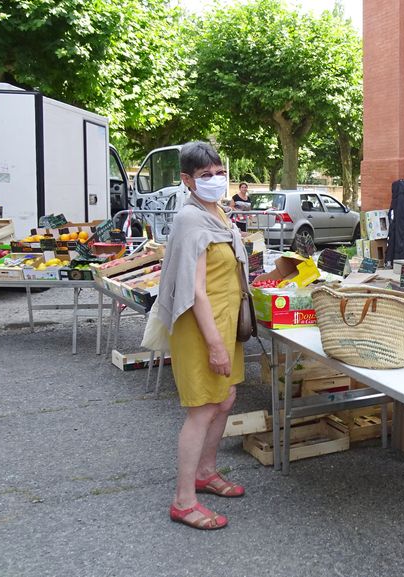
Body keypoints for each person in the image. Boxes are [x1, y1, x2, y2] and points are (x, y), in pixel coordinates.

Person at [154, 141, 248, 530]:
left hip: (225, 323)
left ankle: (205, 473)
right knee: (203, 409)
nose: (216, 179)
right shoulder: (191, 219)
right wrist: (214, 346)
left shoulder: (218, 213)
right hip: (201, 328)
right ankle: (183, 500)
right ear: (187, 180)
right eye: (206, 175)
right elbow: (195, 291)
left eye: (220, 172)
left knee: (225, 399)